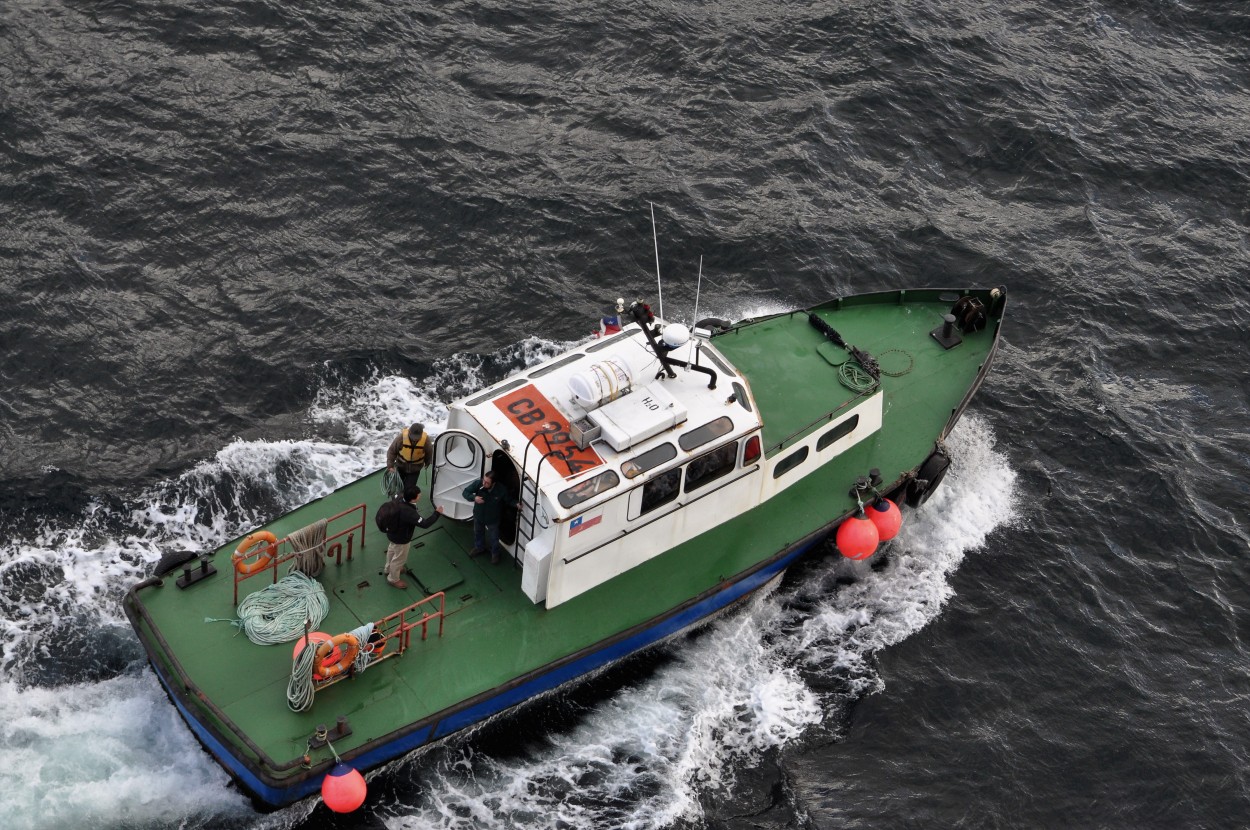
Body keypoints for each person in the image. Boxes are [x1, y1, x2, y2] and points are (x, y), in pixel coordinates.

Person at [383, 484, 443, 589]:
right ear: (413, 499)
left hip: (392, 533)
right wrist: (437, 513)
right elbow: (425, 524)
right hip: (402, 539)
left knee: (392, 550)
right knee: (399, 559)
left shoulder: (398, 497)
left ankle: (388, 569)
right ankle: (393, 579)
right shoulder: (409, 513)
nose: (420, 496)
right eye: (419, 495)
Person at [462, 471, 517, 564]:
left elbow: (509, 500)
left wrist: (516, 504)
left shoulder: (501, 490)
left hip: (493, 519)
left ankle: (495, 553)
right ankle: (479, 548)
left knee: (494, 537)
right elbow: (465, 492)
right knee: (478, 532)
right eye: (484, 480)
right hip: (479, 515)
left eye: (487, 482)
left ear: (493, 483)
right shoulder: (478, 484)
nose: (484, 483)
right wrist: (474, 498)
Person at [387, 423, 430, 492]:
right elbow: (392, 451)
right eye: (413, 437)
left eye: (417, 438)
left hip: (415, 469)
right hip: (401, 466)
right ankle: (397, 498)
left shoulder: (426, 441)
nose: (415, 440)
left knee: (409, 489)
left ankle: (406, 500)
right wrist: (390, 465)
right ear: (409, 432)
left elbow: (429, 453)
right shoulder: (400, 438)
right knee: (398, 485)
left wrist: (427, 462)